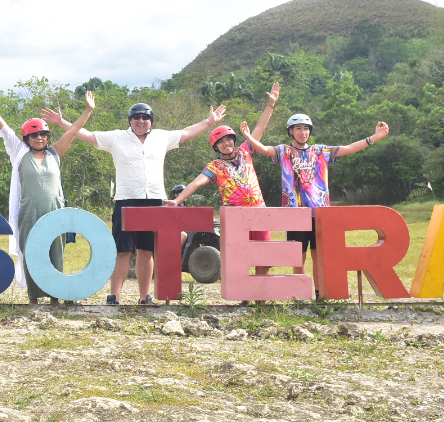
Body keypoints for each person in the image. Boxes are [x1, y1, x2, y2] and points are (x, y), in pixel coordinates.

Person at [45, 100, 227, 306]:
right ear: (130, 120)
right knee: (122, 251)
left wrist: (209, 122)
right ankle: (114, 297)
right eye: (136, 117)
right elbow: (85, 134)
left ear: (151, 121)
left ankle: (144, 297)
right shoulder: (116, 137)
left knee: (146, 251)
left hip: (155, 201)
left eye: (145, 117)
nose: (141, 121)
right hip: (126, 201)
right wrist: (61, 122)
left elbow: (186, 132)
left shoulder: (161, 137)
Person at [239, 113, 389, 288]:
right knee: (298, 258)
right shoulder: (284, 151)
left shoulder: (320, 151)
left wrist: (374, 138)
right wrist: (248, 138)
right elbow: (264, 150)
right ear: (290, 131)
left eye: (306, 129)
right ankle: (300, 295)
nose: (303, 132)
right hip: (295, 216)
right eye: (298, 129)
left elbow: (349, 148)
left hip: (320, 215)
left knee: (319, 258)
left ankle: (320, 294)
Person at [0, 86, 96, 304]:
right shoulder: (19, 153)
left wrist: (88, 110)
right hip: (29, 211)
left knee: (55, 253)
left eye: (42, 134)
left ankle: (55, 297)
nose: (39, 137)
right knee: (31, 253)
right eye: (34, 135)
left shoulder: (56, 152)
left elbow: (73, 130)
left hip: (55, 210)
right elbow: (5, 129)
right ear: (27, 137)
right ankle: (33, 298)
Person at [170, 83, 281, 284]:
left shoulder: (246, 151)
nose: (226, 143)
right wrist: (177, 201)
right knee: (241, 257)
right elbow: (195, 184)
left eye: (229, 139)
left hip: (259, 212)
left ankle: (261, 296)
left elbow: (259, 128)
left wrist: (270, 105)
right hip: (235, 217)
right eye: (221, 141)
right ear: (215, 146)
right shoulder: (215, 166)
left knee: (264, 255)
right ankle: (245, 297)